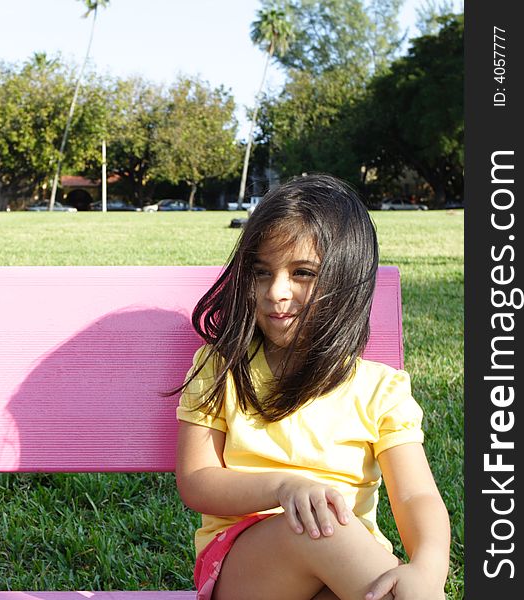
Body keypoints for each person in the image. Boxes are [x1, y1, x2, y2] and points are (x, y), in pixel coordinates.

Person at [173, 173, 450, 600]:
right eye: (261, 272)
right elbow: (196, 480)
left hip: (344, 570)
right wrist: (285, 488)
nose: (276, 292)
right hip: (248, 568)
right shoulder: (223, 367)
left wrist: (428, 568)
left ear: (346, 282)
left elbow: (416, 495)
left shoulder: (381, 390)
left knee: (374, 572)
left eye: (302, 272)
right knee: (321, 528)